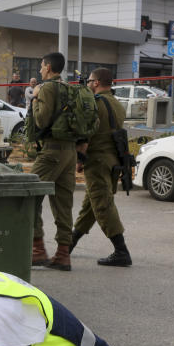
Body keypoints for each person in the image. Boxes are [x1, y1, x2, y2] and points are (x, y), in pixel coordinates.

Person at [69, 68, 131, 266]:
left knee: (102, 205)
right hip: (112, 161)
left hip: (97, 161)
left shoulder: (95, 104)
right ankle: (69, 244)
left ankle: (121, 251)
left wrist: (80, 158)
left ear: (96, 83)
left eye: (89, 81)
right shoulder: (117, 104)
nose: (87, 84)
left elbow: (88, 135)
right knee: (91, 206)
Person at [27, 52, 77, 271]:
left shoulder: (46, 88)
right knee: (63, 204)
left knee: (28, 197)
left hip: (52, 151)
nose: (39, 70)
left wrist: (35, 97)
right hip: (69, 152)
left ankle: (37, 250)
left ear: (48, 67)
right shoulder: (70, 88)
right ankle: (63, 255)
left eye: (41, 65)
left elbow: (41, 120)